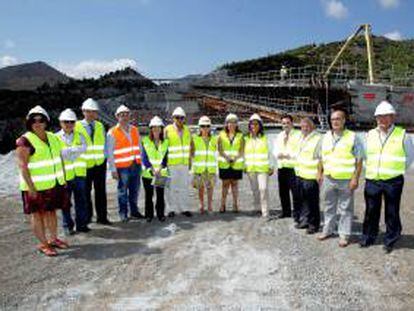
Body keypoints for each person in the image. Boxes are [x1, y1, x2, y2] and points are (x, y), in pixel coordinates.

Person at [360, 101, 414, 253]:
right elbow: (365, 156)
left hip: (393, 181)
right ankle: (369, 236)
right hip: (373, 180)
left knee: (392, 211)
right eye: (379, 117)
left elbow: (409, 157)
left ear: (392, 118)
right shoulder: (369, 135)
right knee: (371, 210)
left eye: (385, 116)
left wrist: (396, 171)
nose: (382, 120)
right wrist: (370, 169)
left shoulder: (402, 135)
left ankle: (391, 238)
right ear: (376, 118)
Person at [16, 106, 69, 256]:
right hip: (35, 187)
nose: (37, 123)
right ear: (29, 122)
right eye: (34, 120)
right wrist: (31, 187)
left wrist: (63, 178)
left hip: (53, 184)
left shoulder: (53, 137)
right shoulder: (24, 141)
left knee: (51, 212)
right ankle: (43, 244)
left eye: (41, 120)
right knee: (37, 215)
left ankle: (53, 239)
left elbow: (60, 159)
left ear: (46, 122)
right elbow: (22, 166)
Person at [316, 109, 363, 247]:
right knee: (328, 206)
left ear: (344, 120)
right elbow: (320, 157)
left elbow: (359, 160)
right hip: (328, 178)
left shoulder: (353, 137)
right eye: (332, 119)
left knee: (345, 209)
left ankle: (344, 235)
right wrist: (319, 172)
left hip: (346, 180)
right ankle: (328, 230)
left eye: (338, 119)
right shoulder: (324, 137)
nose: (335, 122)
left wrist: (355, 178)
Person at [75, 98, 111, 225]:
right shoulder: (76, 126)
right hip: (85, 165)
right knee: (85, 193)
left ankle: (102, 217)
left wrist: (105, 158)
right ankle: (87, 217)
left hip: (99, 164)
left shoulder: (100, 126)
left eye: (93, 112)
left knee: (101, 192)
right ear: (83, 111)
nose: (91, 114)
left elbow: (105, 144)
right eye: (88, 111)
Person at [106, 105, 143, 222]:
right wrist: (113, 169)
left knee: (134, 190)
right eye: (122, 115)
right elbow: (109, 152)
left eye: (126, 114)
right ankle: (123, 214)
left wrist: (140, 162)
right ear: (117, 117)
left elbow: (140, 147)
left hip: (135, 164)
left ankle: (134, 211)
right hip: (122, 168)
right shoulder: (112, 132)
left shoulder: (134, 130)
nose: (125, 117)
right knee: (122, 192)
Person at [56, 108, 90, 234]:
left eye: (72, 122)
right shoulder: (56, 138)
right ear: (61, 123)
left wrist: (67, 152)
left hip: (79, 175)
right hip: (65, 176)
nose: (69, 124)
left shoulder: (80, 135)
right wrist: (75, 150)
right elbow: (58, 154)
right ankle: (67, 226)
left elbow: (84, 148)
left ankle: (81, 225)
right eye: (66, 122)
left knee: (81, 201)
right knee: (65, 203)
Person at [294, 117, 322, 234]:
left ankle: (314, 224)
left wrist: (320, 173)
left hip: (311, 175)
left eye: (307, 126)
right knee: (303, 200)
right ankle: (304, 220)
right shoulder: (301, 137)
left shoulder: (318, 139)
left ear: (312, 127)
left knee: (312, 201)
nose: (304, 128)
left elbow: (321, 158)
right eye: (302, 126)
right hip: (300, 174)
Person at [164, 106, 193, 217]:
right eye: (177, 117)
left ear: (184, 119)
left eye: (181, 118)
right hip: (171, 164)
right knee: (171, 187)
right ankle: (171, 209)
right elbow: (164, 148)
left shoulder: (187, 130)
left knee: (184, 187)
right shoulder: (167, 130)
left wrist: (189, 161)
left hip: (184, 164)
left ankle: (184, 208)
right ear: (173, 118)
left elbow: (190, 146)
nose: (179, 120)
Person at [244, 114, 274, 218]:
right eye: (252, 124)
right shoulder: (246, 139)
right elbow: (243, 153)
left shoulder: (265, 138)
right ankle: (257, 208)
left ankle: (265, 212)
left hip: (263, 169)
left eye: (256, 124)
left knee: (263, 189)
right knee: (255, 190)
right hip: (251, 169)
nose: (253, 126)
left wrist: (272, 166)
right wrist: (244, 166)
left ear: (260, 125)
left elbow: (271, 153)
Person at [141, 116, 169, 222]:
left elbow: (165, 158)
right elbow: (144, 158)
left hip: (161, 173)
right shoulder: (146, 141)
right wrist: (152, 169)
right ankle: (149, 215)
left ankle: (160, 214)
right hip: (148, 173)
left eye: (158, 128)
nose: (156, 130)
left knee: (160, 195)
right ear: (151, 129)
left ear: (161, 129)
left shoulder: (166, 142)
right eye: (154, 128)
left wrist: (160, 168)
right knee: (149, 196)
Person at [275, 114, 302, 221]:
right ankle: (285, 211)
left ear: (292, 123)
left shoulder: (298, 135)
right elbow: (275, 148)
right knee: (283, 191)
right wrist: (278, 154)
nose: (285, 125)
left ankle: (297, 213)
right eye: (283, 123)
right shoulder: (280, 135)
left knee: (295, 192)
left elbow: (299, 149)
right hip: (282, 167)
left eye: (287, 123)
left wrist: (287, 155)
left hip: (293, 167)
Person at [190, 116, 217, 214]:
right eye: (203, 126)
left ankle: (209, 205)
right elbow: (191, 152)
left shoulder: (214, 139)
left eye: (207, 126)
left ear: (210, 127)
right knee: (201, 188)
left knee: (210, 188)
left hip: (210, 168)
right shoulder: (195, 138)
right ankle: (201, 204)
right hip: (199, 168)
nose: (205, 128)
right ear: (199, 127)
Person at [217, 113, 244, 213]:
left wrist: (235, 158)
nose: (231, 124)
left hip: (236, 164)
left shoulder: (240, 135)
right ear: (226, 124)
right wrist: (227, 157)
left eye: (234, 122)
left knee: (234, 185)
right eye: (229, 122)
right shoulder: (221, 134)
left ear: (237, 124)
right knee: (225, 185)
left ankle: (235, 205)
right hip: (225, 163)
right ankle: (222, 205)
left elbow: (242, 149)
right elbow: (220, 149)